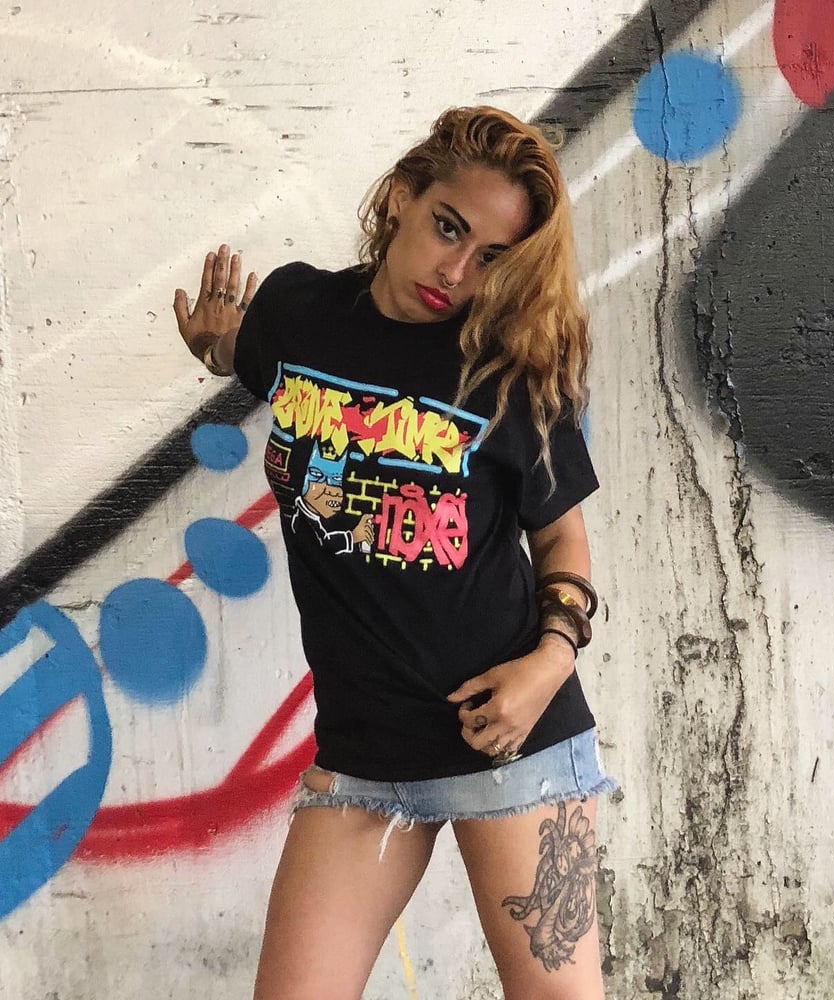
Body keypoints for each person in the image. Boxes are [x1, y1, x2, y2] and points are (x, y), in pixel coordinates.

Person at [173, 106, 614, 1000]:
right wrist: (215, 344)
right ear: (403, 198)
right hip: (364, 757)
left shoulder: (507, 369)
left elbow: (561, 533)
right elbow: (251, 355)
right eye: (449, 228)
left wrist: (549, 661)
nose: (456, 271)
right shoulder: (299, 313)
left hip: (511, 746)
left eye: (490, 257)